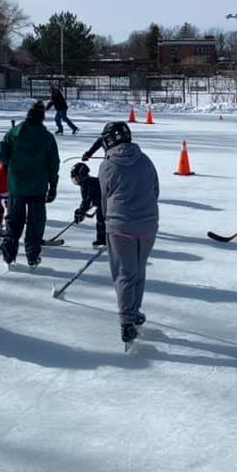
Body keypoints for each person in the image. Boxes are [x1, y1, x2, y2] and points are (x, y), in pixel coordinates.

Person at [97, 121, 159, 345]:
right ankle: (133, 311)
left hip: (120, 226)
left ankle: (126, 321)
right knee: (138, 270)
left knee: (124, 273)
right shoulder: (145, 159)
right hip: (148, 225)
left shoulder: (107, 164)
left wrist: (107, 222)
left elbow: (104, 196)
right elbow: (155, 190)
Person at [0, 100, 60, 268]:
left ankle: (9, 255)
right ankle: (32, 256)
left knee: (14, 221)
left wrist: (8, 163)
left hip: (16, 185)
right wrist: (53, 185)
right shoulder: (47, 137)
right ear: (42, 118)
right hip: (38, 187)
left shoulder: (14, 132)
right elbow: (54, 163)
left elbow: (2, 151)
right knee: (36, 222)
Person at [71, 162, 106, 249]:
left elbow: (87, 200)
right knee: (102, 219)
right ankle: (104, 239)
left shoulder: (86, 183)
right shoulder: (91, 181)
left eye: (76, 177)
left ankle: (103, 240)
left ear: (81, 175)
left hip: (105, 203)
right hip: (104, 203)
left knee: (101, 220)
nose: (75, 179)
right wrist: (82, 211)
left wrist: (81, 211)